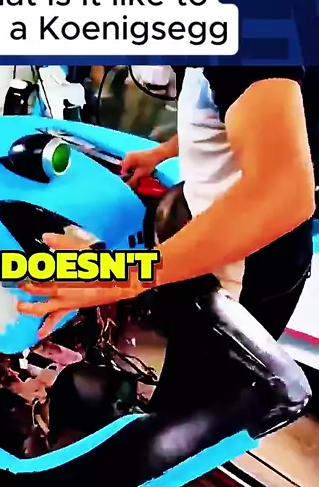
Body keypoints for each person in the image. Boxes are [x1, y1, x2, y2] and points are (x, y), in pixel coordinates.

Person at [17, 67, 315, 343]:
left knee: (201, 377)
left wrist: (121, 276)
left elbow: (284, 195)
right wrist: (160, 153)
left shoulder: (249, 38)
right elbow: (225, 110)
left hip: (248, 262)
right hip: (206, 236)